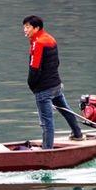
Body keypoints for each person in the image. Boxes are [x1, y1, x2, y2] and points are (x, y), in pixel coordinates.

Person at [22, 15, 84, 149]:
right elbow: (57, 63)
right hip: (56, 85)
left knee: (46, 122)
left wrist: (32, 86)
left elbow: (34, 68)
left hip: (43, 89)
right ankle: (78, 134)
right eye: (24, 27)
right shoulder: (50, 38)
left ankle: (47, 151)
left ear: (36, 28)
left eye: (27, 27)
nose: (24, 30)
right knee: (66, 110)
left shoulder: (38, 43)